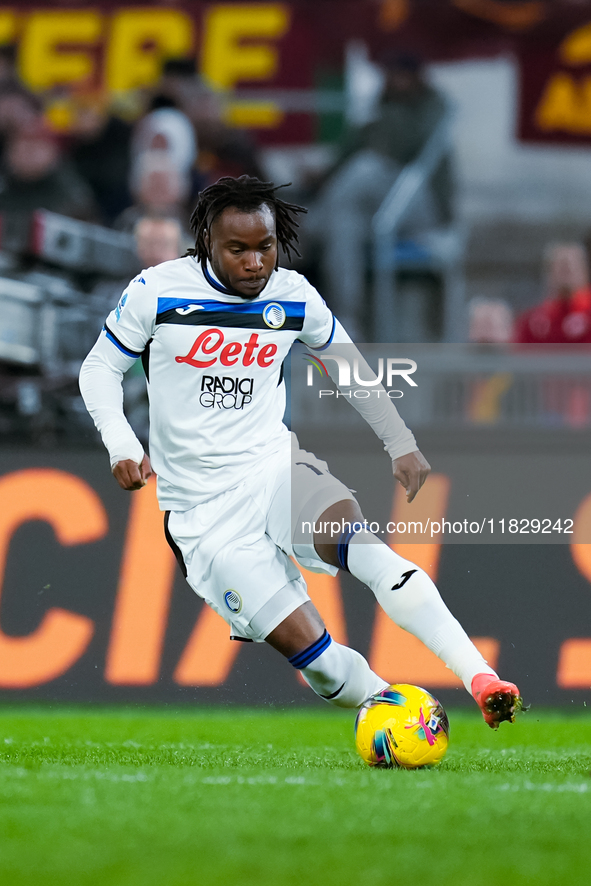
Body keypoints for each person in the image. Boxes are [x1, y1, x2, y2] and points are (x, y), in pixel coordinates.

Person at [79, 175, 522, 730]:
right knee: (325, 672)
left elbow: (349, 368)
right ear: (206, 245)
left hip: (274, 469)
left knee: (368, 552)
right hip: (202, 517)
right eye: (237, 249)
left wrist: (399, 441)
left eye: (264, 247)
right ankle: (397, 710)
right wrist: (121, 440)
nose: (254, 263)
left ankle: (481, 678)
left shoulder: (294, 295)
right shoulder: (157, 291)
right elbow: (99, 368)